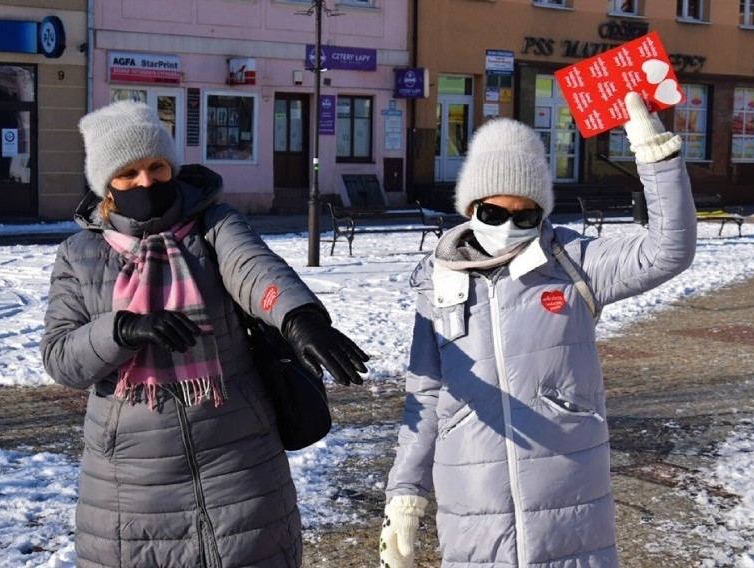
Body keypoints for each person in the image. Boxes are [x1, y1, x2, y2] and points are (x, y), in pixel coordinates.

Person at [40, 100, 369, 567]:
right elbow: (60, 357)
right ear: (106, 186)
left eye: (156, 167)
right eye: (127, 174)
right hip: (129, 485)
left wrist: (299, 318)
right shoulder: (79, 255)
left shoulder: (214, 226)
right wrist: (123, 330)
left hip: (237, 457)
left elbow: (256, 270)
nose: (145, 182)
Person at [378, 92, 697, 567]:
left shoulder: (574, 263)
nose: (507, 226)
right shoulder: (439, 278)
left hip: (568, 501)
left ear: (541, 213)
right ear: (470, 207)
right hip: (471, 498)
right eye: (493, 212)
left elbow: (668, 249)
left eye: (524, 215)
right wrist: (404, 495)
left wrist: (655, 155)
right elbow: (424, 397)